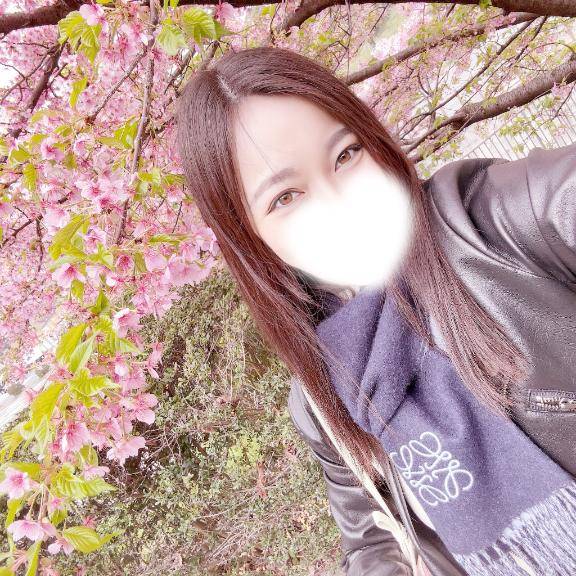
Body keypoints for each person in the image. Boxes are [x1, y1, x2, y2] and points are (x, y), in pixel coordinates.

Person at [174, 46, 576, 575]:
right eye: (285, 197)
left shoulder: (495, 222)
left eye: (346, 155)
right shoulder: (324, 392)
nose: (341, 204)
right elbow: (370, 539)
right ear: (250, 239)